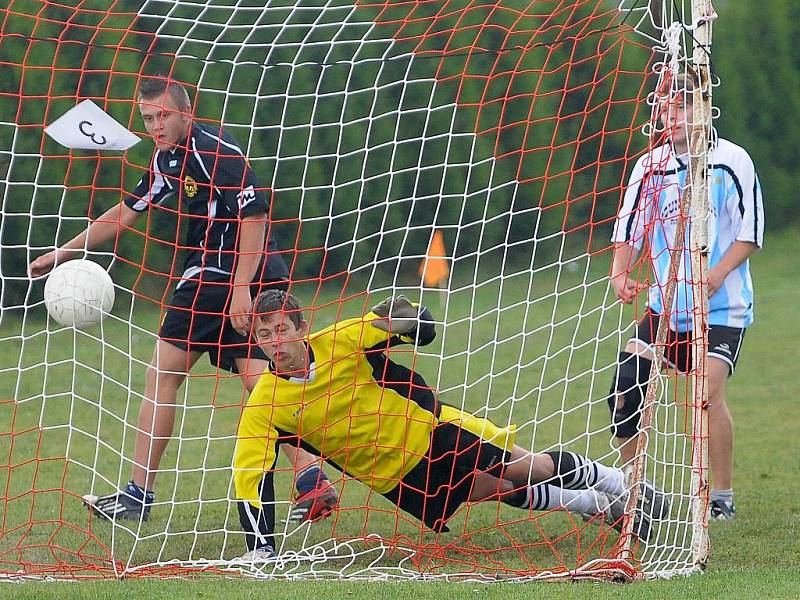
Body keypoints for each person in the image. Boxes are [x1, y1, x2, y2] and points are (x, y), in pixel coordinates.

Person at [29, 77, 335, 522]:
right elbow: (125, 212)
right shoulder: (166, 158)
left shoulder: (215, 151)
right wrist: (64, 251)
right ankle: (310, 476)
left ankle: (139, 496)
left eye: (162, 116)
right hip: (230, 277)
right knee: (250, 381)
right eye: (148, 118)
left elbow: (256, 216)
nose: (154, 125)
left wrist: (241, 289)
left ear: (185, 113)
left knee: (178, 376)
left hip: (227, 278)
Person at [231, 290, 670, 561]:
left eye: (281, 330)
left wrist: (411, 320)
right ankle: (596, 505)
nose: (274, 343)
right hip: (396, 479)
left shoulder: (339, 341)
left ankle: (624, 484)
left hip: (431, 431)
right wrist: (260, 546)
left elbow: (400, 323)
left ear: (301, 327)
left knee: (521, 467)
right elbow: (248, 474)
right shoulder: (265, 403)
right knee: (492, 489)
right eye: (264, 335)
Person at [608, 70, 764, 521]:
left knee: (706, 394)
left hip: (722, 308)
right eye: (665, 106)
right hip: (667, 310)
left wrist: (717, 273)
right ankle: (639, 494)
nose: (671, 115)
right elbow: (628, 229)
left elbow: (751, 233)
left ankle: (721, 498)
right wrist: (620, 273)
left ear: (704, 107)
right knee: (623, 394)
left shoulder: (732, 160)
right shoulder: (649, 166)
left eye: (682, 106)